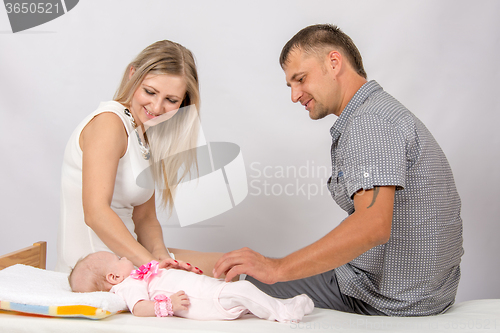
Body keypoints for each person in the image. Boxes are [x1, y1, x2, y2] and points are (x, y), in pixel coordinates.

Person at [213, 24, 463, 317]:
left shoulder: (370, 123)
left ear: (334, 63)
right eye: (290, 85)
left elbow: (372, 225)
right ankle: (160, 259)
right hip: (425, 294)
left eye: (301, 79)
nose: (295, 95)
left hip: (387, 298)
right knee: (252, 268)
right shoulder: (379, 112)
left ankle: (160, 263)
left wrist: (277, 268)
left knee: (243, 283)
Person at [56, 40, 222, 275]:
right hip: (97, 272)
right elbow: (95, 213)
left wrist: (163, 257)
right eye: (150, 92)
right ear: (133, 75)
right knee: (228, 274)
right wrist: (154, 267)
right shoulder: (109, 123)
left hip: (131, 259)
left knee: (231, 266)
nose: (156, 106)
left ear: (183, 102)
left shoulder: (144, 134)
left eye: (171, 100)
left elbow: (145, 218)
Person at [69, 251, 314, 322]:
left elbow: (155, 281)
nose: (124, 258)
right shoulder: (127, 287)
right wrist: (168, 305)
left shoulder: (136, 277)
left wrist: (164, 268)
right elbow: (140, 308)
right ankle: (285, 313)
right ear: (113, 277)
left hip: (205, 290)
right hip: (202, 300)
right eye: (118, 259)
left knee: (244, 300)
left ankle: (282, 305)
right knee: (244, 291)